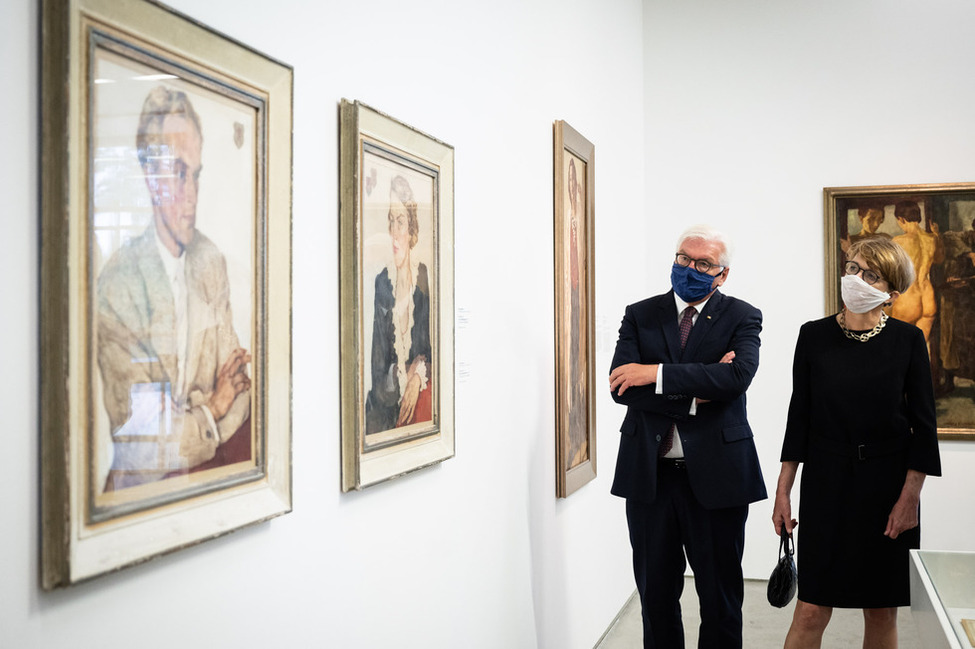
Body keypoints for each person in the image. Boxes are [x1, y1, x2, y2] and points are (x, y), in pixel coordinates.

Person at [773, 237, 941, 648]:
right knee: (811, 607)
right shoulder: (812, 336)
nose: (856, 278)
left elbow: (924, 426)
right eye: (852, 268)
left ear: (891, 293)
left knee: (881, 609)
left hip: (888, 488)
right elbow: (800, 418)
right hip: (827, 482)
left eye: (871, 274)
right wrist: (783, 490)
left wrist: (910, 499)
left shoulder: (908, 341)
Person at [609, 225, 766, 648]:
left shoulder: (742, 316)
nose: (689, 269)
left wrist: (655, 373)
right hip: (650, 478)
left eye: (703, 264)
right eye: (683, 258)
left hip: (718, 478)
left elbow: (735, 378)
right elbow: (622, 386)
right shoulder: (641, 314)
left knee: (720, 599)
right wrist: (697, 395)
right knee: (655, 598)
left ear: (723, 274)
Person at [97, 86, 252, 491]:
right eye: (178, 173)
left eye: (196, 175)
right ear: (149, 176)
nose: (192, 196)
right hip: (142, 503)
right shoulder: (118, 285)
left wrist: (183, 419)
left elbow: (240, 396)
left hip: (207, 480)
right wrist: (210, 407)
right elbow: (138, 446)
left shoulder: (209, 261)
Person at [364, 175, 432, 434]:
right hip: (383, 413)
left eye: (401, 222)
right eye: (391, 221)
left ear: (412, 229)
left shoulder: (422, 276)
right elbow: (378, 373)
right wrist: (406, 371)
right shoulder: (383, 283)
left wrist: (416, 377)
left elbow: (426, 351)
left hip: (414, 407)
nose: (394, 232)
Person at [890, 200, 943, 344]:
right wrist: (938, 236)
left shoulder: (898, 241)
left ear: (901, 219)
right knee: (919, 350)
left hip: (908, 300)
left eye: (898, 221)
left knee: (899, 350)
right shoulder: (931, 239)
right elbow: (939, 259)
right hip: (928, 297)